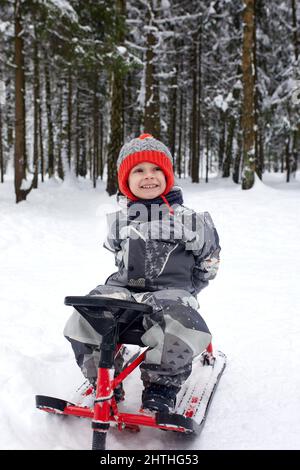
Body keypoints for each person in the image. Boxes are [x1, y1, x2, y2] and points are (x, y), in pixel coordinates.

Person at [63, 133, 221, 413]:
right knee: (89, 309)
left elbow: (208, 260)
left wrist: (191, 289)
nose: (149, 176)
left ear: (168, 174)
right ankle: (104, 378)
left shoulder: (191, 220)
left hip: (171, 291)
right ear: (126, 179)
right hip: (126, 290)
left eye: (156, 169)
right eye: (139, 170)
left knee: (178, 321)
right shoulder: (121, 220)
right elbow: (119, 257)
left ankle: (161, 387)